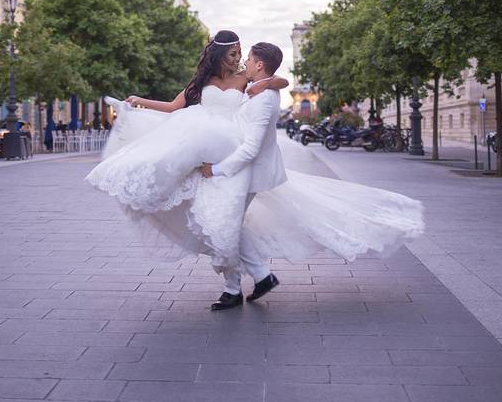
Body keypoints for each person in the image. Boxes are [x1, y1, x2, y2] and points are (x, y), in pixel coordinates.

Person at [86, 31, 424, 311]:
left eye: (240, 53)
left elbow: (279, 76)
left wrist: (270, 83)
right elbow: (175, 107)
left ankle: (240, 285)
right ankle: (251, 280)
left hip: (229, 154)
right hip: (201, 149)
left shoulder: (247, 78)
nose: (237, 58)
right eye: (232, 53)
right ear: (218, 55)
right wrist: (140, 102)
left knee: (224, 223)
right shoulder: (202, 80)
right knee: (219, 220)